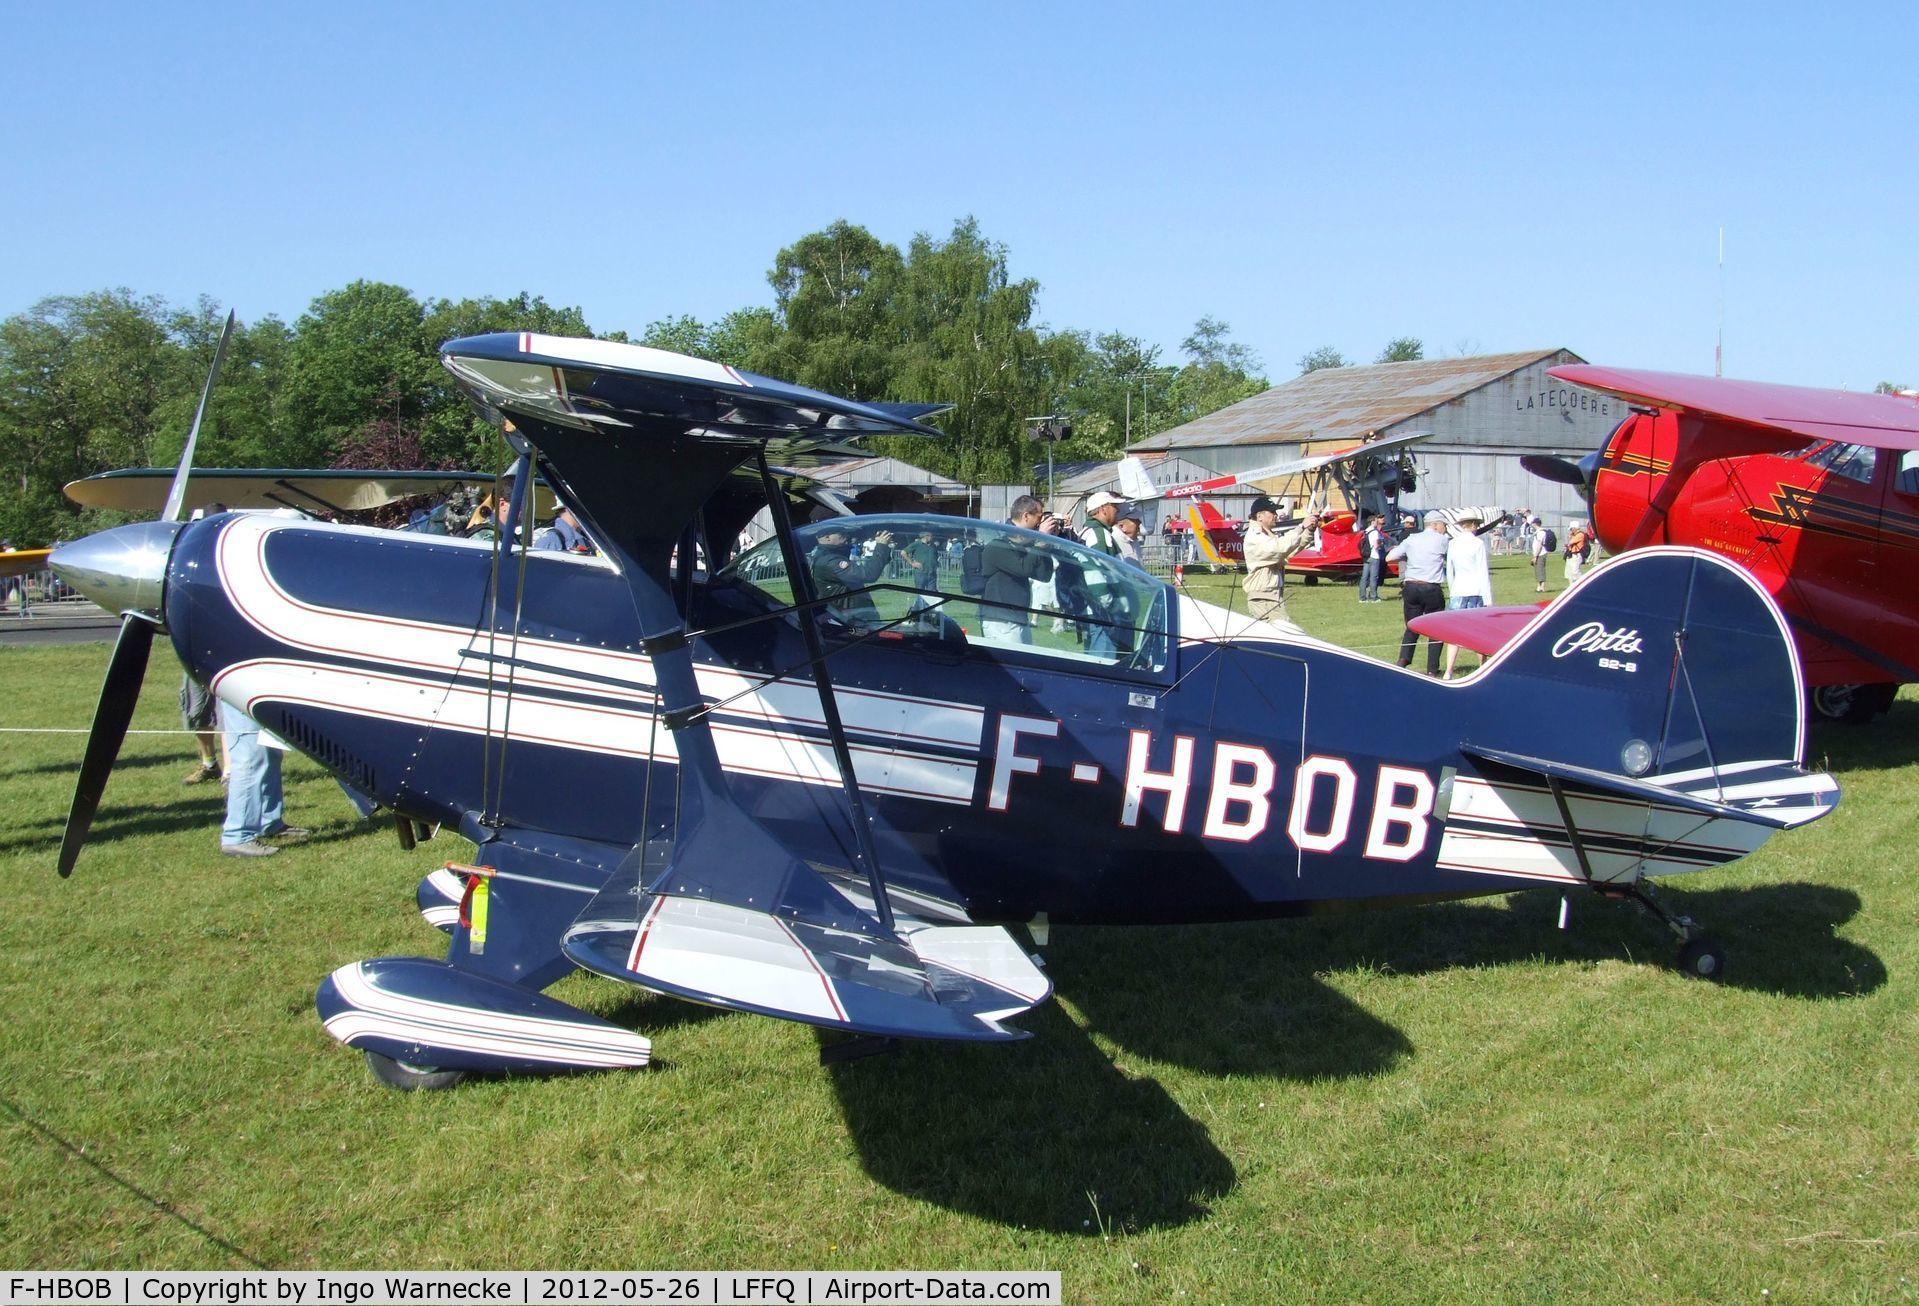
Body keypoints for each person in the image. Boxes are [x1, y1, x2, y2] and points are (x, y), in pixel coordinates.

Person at [219, 701, 307, 858]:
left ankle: (269, 822)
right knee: (251, 759)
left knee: (270, 755)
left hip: (258, 688)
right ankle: (237, 835)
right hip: (241, 688)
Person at [979, 495, 1054, 644]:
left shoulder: (1024, 543)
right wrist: (1040, 541)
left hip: (1018, 617)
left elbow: (1044, 575)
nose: (1040, 523)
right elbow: (1023, 569)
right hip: (1001, 621)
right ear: (1026, 516)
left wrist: (1045, 543)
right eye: (1039, 517)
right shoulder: (999, 543)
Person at [1387, 511, 1450, 674]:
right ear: (1436, 525)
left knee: (1412, 625)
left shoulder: (1412, 539)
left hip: (1411, 586)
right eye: (1444, 525)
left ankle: (1403, 659)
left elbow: (1390, 557)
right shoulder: (1442, 540)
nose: (1445, 529)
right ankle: (1432, 668)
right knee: (1436, 628)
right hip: (1431, 586)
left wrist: (1411, 558)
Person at [1241, 496, 1320, 627]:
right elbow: (1279, 547)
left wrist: (1309, 531)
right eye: (1272, 512)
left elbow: (1288, 551)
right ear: (1260, 516)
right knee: (1284, 635)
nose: (1276, 515)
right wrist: (1301, 526)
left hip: (1272, 598)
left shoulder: (1267, 536)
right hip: (1263, 600)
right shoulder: (1255, 536)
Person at [808, 522, 894, 627]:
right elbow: (868, 574)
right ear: (827, 538)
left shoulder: (825, 554)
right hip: (851, 617)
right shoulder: (830, 560)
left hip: (847, 613)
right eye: (842, 535)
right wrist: (881, 545)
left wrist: (881, 545)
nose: (846, 538)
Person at [1441, 512, 1495, 679]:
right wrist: (1488, 599)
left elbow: (1450, 570)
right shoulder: (1478, 543)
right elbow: (1482, 571)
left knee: (1454, 632)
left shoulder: (1453, 543)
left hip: (1458, 590)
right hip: (1476, 590)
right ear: (1472, 525)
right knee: (1478, 632)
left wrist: (1452, 589)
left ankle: (1449, 670)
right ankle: (1482, 665)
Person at [179, 672, 222, 785]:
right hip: (197, 662)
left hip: (231, 661)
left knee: (230, 712)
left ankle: (233, 770)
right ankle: (210, 765)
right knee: (197, 711)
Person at [1357, 513, 1386, 602]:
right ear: (1373, 522)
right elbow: (1376, 545)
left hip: (1366, 556)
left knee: (1364, 577)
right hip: (1374, 556)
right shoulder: (1374, 532)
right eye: (1376, 521)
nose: (1377, 523)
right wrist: (1381, 543)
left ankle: (1362, 597)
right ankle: (1373, 597)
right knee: (1374, 577)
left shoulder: (1365, 531)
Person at [1529, 515, 1550, 593]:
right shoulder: (1538, 532)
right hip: (1539, 553)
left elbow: (1539, 545)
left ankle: (1542, 587)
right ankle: (1539, 586)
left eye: (1532, 523)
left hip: (1540, 554)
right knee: (1538, 570)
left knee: (1540, 570)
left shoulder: (1541, 532)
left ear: (1535, 524)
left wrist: (1535, 556)